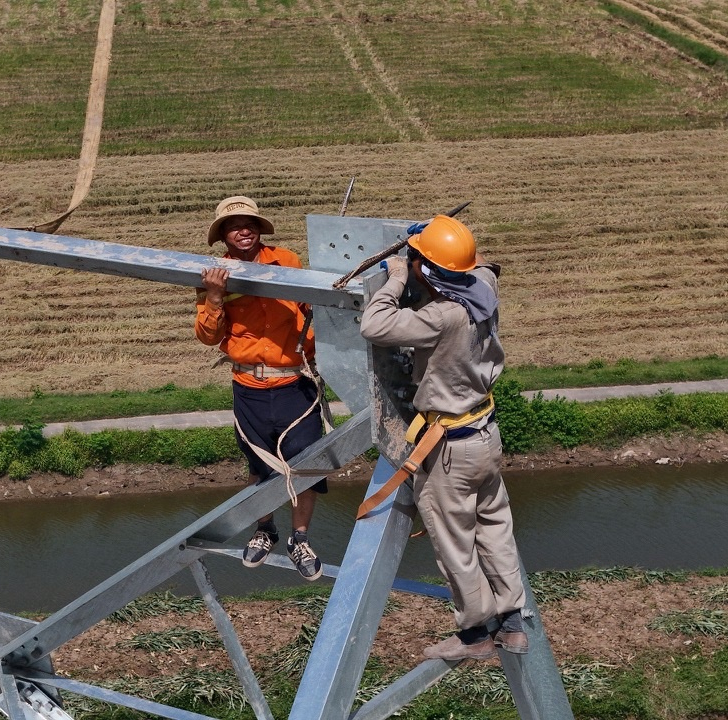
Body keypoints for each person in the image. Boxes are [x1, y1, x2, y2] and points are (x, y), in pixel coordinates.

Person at [359, 214, 529, 660]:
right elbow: (484, 268)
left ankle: (475, 635)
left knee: (455, 543)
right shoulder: (485, 291)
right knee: (496, 528)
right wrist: (436, 242)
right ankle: (512, 623)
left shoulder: (440, 316)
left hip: (449, 449)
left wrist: (396, 278)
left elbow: (374, 325)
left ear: (425, 271)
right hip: (485, 436)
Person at [195, 195, 326, 581]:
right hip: (249, 384)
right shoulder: (214, 274)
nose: (244, 230)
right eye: (234, 225)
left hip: (294, 383)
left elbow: (309, 313)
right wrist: (215, 296)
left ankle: (299, 537)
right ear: (223, 234)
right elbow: (207, 335)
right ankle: (263, 529)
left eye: (249, 223)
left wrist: (322, 359)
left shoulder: (287, 261)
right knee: (260, 464)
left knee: (305, 463)